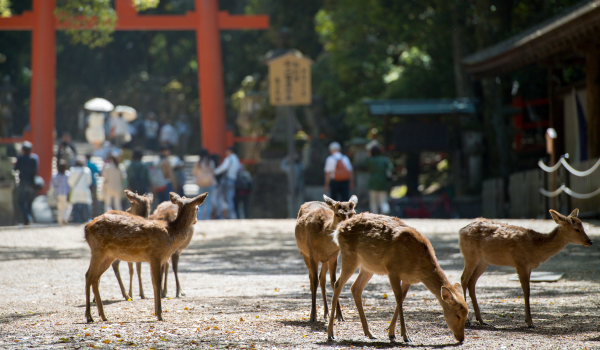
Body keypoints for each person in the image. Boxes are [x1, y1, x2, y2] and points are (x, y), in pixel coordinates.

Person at [14, 141, 37, 225]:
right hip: (31, 183)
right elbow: (35, 170)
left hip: (23, 182)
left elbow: (15, 169)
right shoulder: (34, 158)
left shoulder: (20, 158)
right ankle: (28, 218)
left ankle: (26, 218)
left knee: (21, 202)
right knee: (29, 203)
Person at [365, 145, 393, 214]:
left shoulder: (370, 160)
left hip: (373, 183)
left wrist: (369, 154)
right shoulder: (385, 160)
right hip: (383, 183)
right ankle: (385, 210)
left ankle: (375, 216)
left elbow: (365, 163)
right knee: (383, 201)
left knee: (373, 202)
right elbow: (391, 168)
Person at [214, 147, 240, 219]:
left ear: (230, 151)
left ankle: (219, 214)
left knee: (218, 196)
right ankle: (230, 215)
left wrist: (214, 172)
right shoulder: (237, 160)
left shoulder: (229, 159)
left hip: (226, 180)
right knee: (230, 199)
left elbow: (223, 168)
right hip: (233, 180)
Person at [192, 149, 216, 220]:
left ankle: (200, 218)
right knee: (208, 201)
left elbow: (194, 173)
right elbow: (213, 173)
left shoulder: (197, 163)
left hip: (201, 183)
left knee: (200, 202)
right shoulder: (211, 162)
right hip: (209, 183)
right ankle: (207, 217)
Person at [69, 156, 92, 223]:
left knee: (76, 206)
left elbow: (70, 181)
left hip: (76, 190)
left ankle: (76, 220)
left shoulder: (72, 170)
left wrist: (74, 186)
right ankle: (86, 220)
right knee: (85, 206)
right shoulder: (86, 170)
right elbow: (89, 181)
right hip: (85, 189)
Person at [51, 159, 71, 225]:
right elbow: (70, 184)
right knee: (67, 207)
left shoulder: (56, 176)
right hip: (66, 193)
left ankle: (60, 221)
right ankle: (65, 218)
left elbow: (53, 185)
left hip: (58, 194)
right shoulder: (68, 174)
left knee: (60, 209)